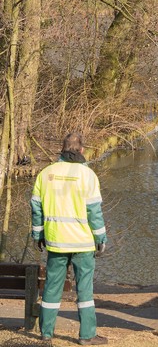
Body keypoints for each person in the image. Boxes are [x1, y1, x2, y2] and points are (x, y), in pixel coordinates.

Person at [31, 133, 108, 346]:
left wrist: (38, 234)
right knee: (84, 289)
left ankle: (46, 333)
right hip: (83, 243)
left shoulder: (46, 174)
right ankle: (87, 335)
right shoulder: (88, 175)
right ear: (81, 150)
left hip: (56, 241)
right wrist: (101, 237)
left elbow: (36, 208)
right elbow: (94, 212)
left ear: (62, 150)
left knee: (52, 288)